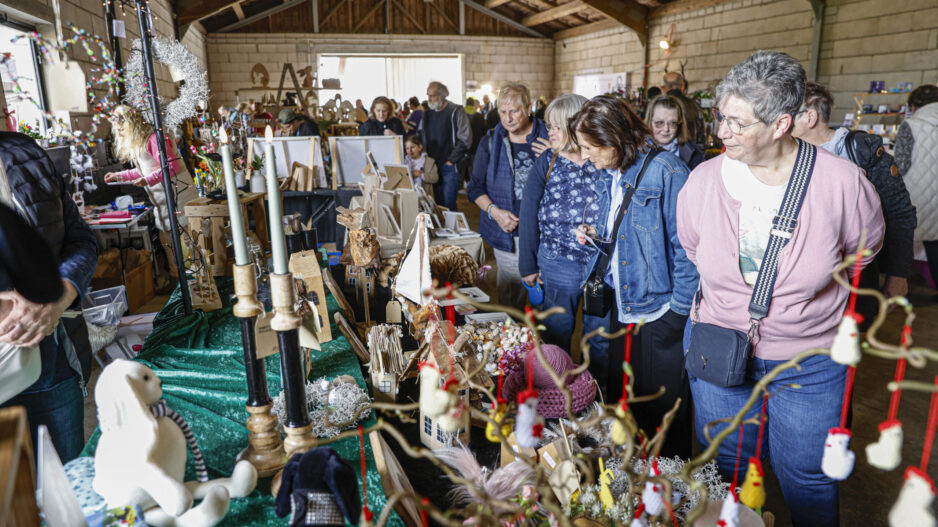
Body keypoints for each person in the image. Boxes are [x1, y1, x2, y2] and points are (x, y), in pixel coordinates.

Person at [676, 51, 884, 527]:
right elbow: (692, 247)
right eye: (720, 117)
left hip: (808, 359)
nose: (721, 131)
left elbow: (863, 252)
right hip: (718, 348)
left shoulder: (842, 184)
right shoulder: (704, 181)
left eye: (736, 122)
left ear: (781, 124)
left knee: (807, 477)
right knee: (726, 470)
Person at [571, 95, 696, 458]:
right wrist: (597, 235)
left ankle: (669, 486)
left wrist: (677, 312)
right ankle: (635, 480)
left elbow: (688, 250)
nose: (585, 157)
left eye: (590, 147)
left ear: (615, 136)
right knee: (631, 402)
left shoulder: (668, 171)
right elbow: (630, 235)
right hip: (626, 306)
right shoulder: (614, 172)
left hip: (659, 312)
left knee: (663, 411)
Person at [0, 131, 98, 463]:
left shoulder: (24, 154)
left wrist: (57, 298)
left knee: (67, 490)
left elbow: (81, 241)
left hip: (51, 362)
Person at [792, 82, 916, 323]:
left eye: (787, 113)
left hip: (852, 279)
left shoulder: (863, 154)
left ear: (810, 117)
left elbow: (899, 214)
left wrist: (898, 275)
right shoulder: (784, 155)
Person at [518, 94, 606, 360]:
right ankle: (557, 392)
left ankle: (595, 392)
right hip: (557, 262)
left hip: (599, 264)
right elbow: (528, 212)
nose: (549, 132)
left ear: (574, 126)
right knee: (556, 335)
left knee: (599, 338)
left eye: (556, 127)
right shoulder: (547, 161)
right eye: (549, 126)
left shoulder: (601, 159)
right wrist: (528, 266)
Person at [468, 83, 549, 310]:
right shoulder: (491, 142)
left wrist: (556, 157)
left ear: (529, 107)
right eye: (503, 112)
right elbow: (475, 187)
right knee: (511, 304)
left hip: (547, 238)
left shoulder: (552, 138)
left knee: (546, 305)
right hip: (509, 237)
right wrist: (495, 212)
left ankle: (545, 346)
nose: (508, 118)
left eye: (514, 111)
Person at [105, 105, 199, 278]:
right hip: (162, 202)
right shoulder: (139, 143)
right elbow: (143, 171)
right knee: (166, 238)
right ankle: (176, 277)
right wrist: (118, 176)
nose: (119, 134)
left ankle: (196, 278)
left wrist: (147, 180)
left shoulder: (154, 139)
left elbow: (172, 165)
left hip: (180, 196)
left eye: (121, 129)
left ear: (131, 125)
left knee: (188, 240)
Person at [894, 84, 938, 290]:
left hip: (919, 193)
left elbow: (901, 163)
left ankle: (897, 282)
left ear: (915, 105)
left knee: (906, 237)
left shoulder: (911, 124)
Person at [419, 81, 471, 211]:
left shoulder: (456, 111)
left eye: (432, 96)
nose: (429, 99)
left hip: (448, 167)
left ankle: (450, 231)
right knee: (433, 205)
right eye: (428, 95)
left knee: (448, 206)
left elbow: (466, 138)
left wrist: (451, 160)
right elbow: (420, 136)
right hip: (431, 166)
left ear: (442, 96)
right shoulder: (427, 114)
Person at [645, 94, 705, 170]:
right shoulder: (637, 151)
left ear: (679, 124)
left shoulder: (694, 153)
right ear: (649, 123)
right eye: (659, 123)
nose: (666, 129)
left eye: (672, 123)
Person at [663, 71, 704, 144]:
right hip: (691, 151)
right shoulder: (695, 105)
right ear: (683, 86)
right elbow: (701, 133)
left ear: (663, 88)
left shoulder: (658, 106)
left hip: (664, 151)